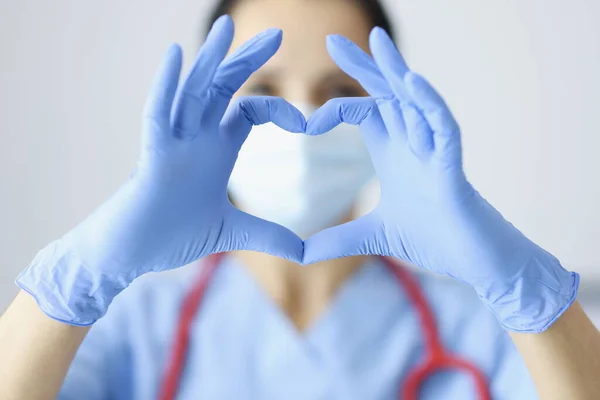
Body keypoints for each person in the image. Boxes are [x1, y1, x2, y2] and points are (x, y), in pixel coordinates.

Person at [1, 0, 600, 399]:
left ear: (391, 108)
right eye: (261, 88)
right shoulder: (127, 329)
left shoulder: (480, 329)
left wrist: (523, 285)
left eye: (340, 90)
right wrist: (82, 274)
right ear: (207, 105)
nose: (305, 122)